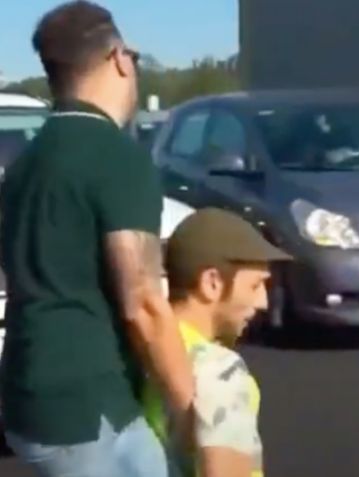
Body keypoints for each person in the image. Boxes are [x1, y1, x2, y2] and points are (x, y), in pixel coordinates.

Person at [0, 2, 194, 475]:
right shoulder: (114, 157)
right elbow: (144, 302)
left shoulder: (26, 163)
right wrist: (192, 412)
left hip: (27, 393)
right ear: (119, 59)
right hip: (89, 405)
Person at [143, 208, 291, 477]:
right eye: (255, 286)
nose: (263, 302)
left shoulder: (143, 347)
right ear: (212, 282)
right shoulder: (219, 368)